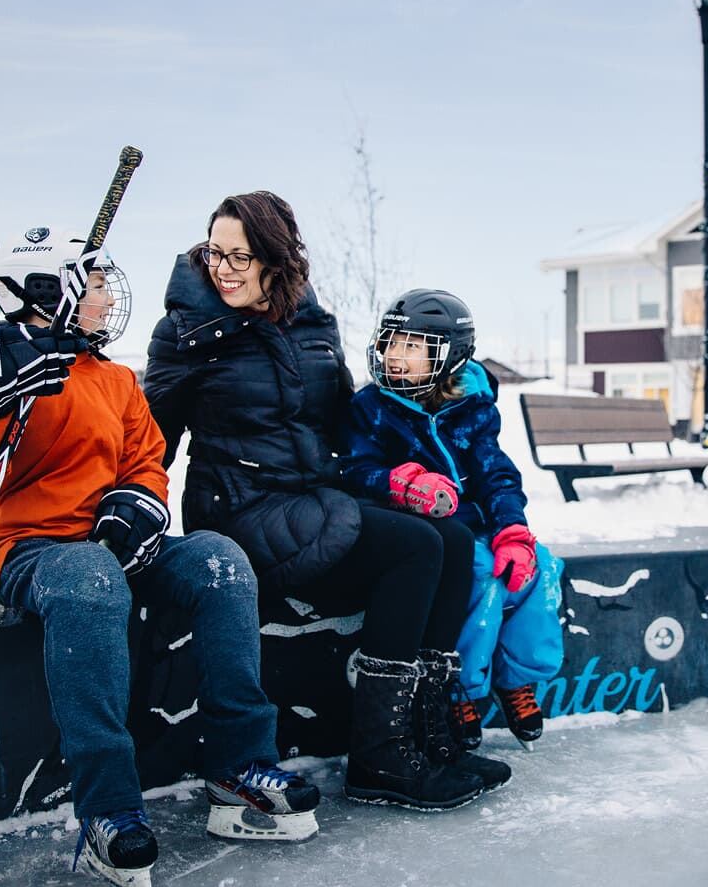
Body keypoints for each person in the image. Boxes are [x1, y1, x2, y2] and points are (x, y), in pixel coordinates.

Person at [0, 228, 318, 887]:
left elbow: (144, 460)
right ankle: (107, 806)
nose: (109, 297)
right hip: (25, 547)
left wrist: (137, 505)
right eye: (97, 284)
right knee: (89, 575)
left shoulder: (112, 378)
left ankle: (239, 766)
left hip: (108, 547)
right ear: (51, 291)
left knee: (220, 560)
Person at [143, 191, 509, 811]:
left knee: (446, 538)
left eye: (241, 255)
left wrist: (408, 462)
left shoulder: (312, 323)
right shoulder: (188, 333)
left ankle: (431, 730)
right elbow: (150, 439)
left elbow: (347, 424)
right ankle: (380, 757)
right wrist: (131, 512)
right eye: (216, 253)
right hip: (242, 510)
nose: (224, 268)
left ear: (276, 260)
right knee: (414, 546)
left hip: (315, 501)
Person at [343, 289, 564, 748]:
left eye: (412, 346)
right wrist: (398, 482)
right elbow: (355, 467)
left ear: (450, 356)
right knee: (481, 575)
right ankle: (461, 687)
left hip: (478, 523)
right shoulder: (373, 408)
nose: (394, 356)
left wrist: (512, 530)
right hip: (429, 531)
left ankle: (515, 678)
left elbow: (495, 472)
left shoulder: (472, 406)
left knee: (536, 570)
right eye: (390, 342)